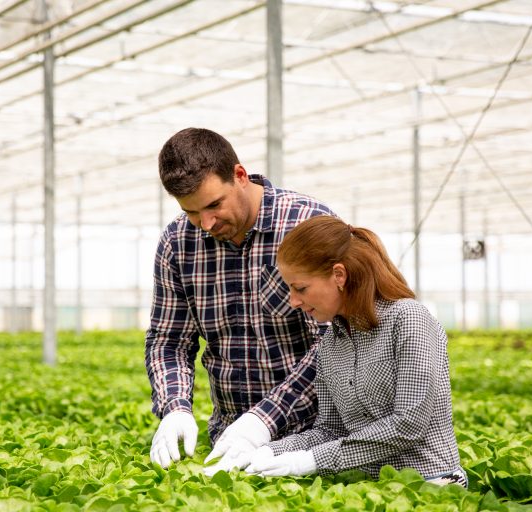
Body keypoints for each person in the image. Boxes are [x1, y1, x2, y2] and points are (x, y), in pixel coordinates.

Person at [145, 128, 335, 472]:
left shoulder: (306, 224)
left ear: (240, 176)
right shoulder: (177, 243)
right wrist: (175, 407)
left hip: (315, 440)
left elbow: (336, 342)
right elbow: (169, 340)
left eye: (214, 204)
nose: (206, 223)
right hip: (227, 441)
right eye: (192, 212)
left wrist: (263, 421)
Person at [244, 216, 467, 488]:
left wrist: (310, 460)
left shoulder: (408, 319)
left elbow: (408, 424)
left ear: (339, 275)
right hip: (371, 488)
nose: (293, 300)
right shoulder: (331, 343)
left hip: (432, 484)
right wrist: (268, 451)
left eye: (300, 288)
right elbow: (330, 430)